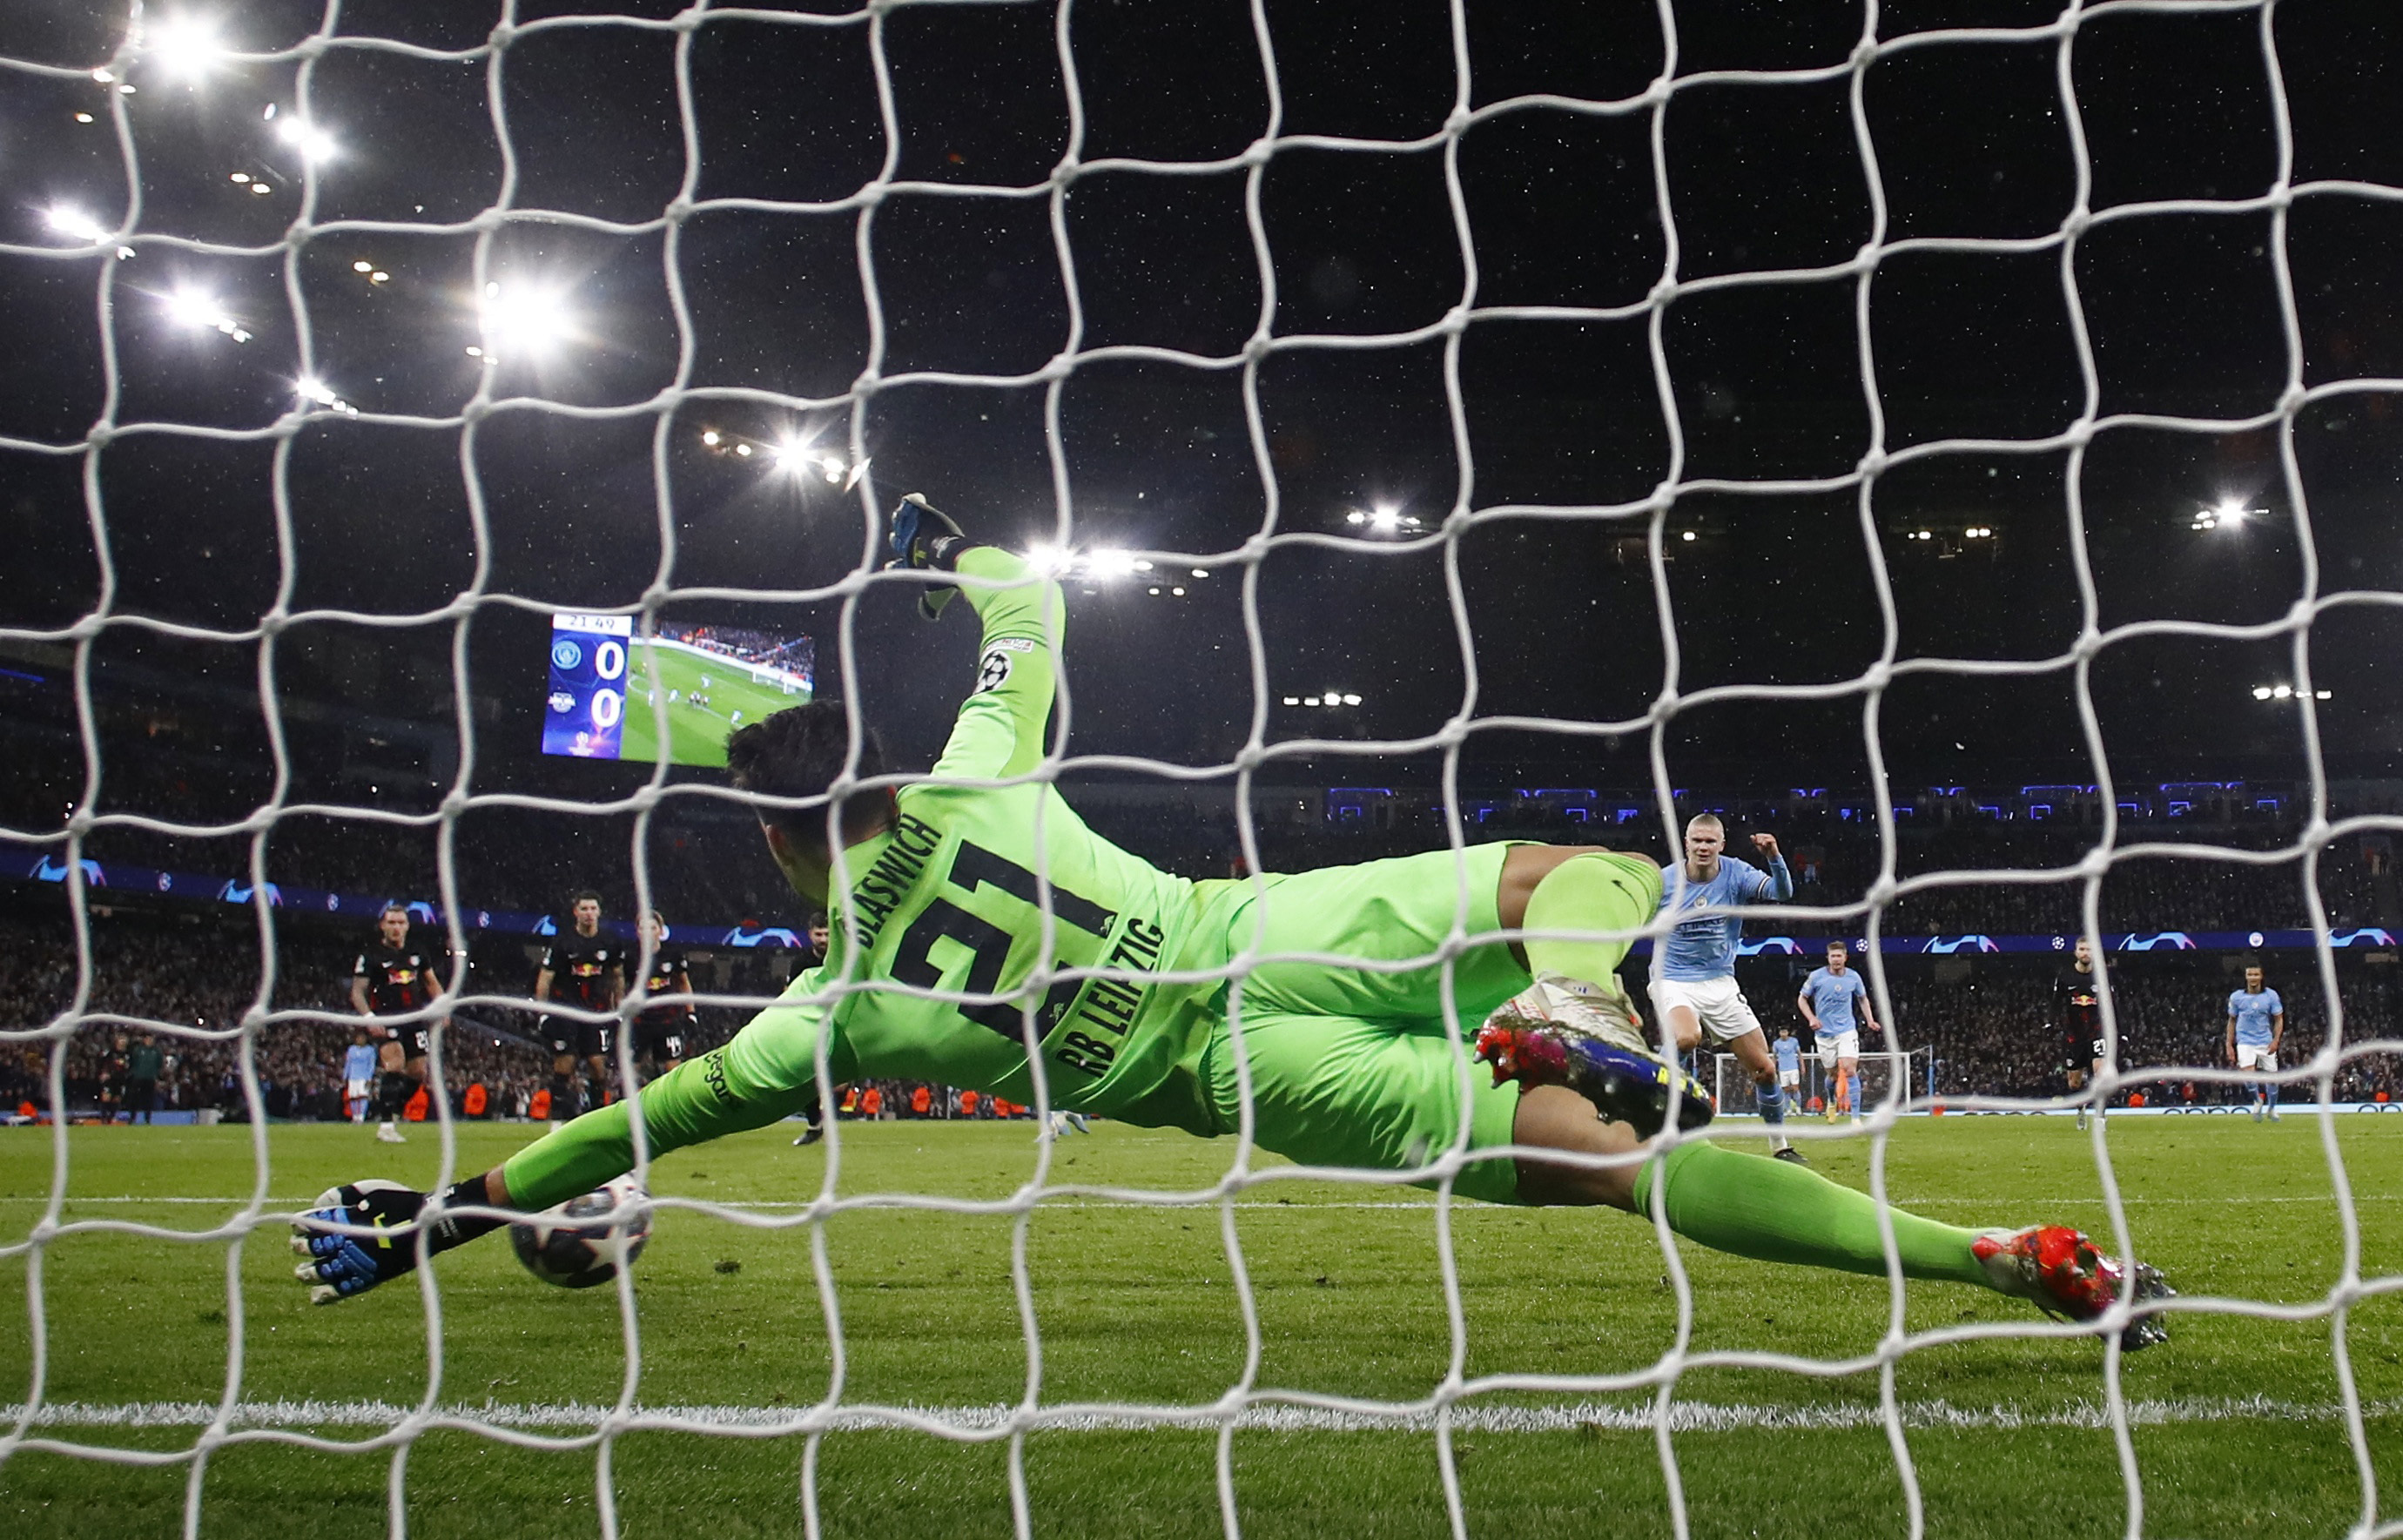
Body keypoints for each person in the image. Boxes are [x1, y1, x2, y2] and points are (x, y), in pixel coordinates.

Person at [298, 494, 2172, 1350]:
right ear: (878, 771)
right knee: (1555, 874)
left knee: (1626, 1174)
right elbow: (1028, 602)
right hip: (1274, 928)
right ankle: (1592, 1000)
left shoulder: (833, 1013)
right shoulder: (979, 771)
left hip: (1262, 1082)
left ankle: (2009, 1260)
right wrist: (941, 547)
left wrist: (436, 1216)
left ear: (770, 844)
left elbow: (621, 1128)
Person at [1649, 816, 1802, 1160]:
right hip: (1671, 979)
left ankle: (1781, 1146)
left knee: (1765, 1070)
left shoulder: (1736, 873)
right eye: (1697, 841)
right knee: (1687, 1037)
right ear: (1685, 843)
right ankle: (1655, 1102)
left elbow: (1782, 892)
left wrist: (1774, 856)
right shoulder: (1664, 882)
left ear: (1722, 844)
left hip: (1720, 982)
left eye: (1710, 841)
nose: (1703, 847)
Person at [351, 904, 447, 1144]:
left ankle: (391, 1112)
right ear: (382, 926)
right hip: (386, 1019)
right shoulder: (371, 955)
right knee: (394, 1064)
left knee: (418, 1072)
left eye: (401, 923)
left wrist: (443, 1006)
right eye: (391, 923)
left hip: (414, 1019)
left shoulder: (417, 952)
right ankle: (385, 1126)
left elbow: (431, 982)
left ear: (407, 926)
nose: (396, 928)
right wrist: (369, 1018)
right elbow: (357, 992)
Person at [534, 891, 626, 1119]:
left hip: (596, 1012)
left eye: (593, 908)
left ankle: (597, 1114)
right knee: (566, 1061)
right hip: (566, 1010)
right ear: (576, 912)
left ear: (599, 912)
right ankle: (557, 1115)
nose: (589, 913)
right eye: (584, 909)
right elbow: (545, 978)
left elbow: (617, 977)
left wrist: (619, 1008)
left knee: (597, 1063)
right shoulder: (563, 942)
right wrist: (542, 1013)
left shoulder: (610, 942)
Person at [1797, 941, 1882, 1125]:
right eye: (1833, 956)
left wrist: (1870, 1020)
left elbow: (1862, 998)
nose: (1836, 959)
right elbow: (1802, 999)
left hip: (1846, 1030)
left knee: (1850, 1069)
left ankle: (1856, 1118)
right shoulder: (1816, 976)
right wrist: (1811, 1018)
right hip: (1824, 1034)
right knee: (1833, 1075)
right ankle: (1831, 1100)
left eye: (1839, 956)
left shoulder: (1853, 977)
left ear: (1845, 957)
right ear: (1828, 958)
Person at [630, 912, 696, 1082]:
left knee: (672, 1072)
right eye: (643, 928)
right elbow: (619, 986)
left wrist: (691, 1013)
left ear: (660, 931)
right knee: (629, 1071)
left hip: (667, 1021)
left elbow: (684, 983)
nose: (648, 932)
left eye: (653, 928)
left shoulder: (672, 955)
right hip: (639, 1022)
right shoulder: (630, 957)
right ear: (637, 931)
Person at [2056, 937, 2106, 1130]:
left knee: (2100, 1072)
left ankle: (2100, 1117)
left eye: (2089, 949)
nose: (2086, 953)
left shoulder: (2101, 976)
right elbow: (2055, 1002)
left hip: (2097, 1031)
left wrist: (2122, 1029)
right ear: (2076, 952)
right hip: (2074, 1035)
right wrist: (2050, 1023)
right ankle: (2081, 1108)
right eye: (2082, 949)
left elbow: (2114, 1003)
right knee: (2074, 1083)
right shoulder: (2066, 976)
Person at [2225, 965, 2284, 1122]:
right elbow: (2232, 1021)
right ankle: (2257, 1100)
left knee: (2272, 1079)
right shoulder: (2236, 997)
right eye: (2250, 974)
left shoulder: (2271, 995)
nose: (2253, 977)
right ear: (2246, 977)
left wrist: (2276, 1040)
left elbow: (2279, 1019)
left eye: (2256, 974)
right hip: (2245, 1041)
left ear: (2261, 977)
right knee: (2248, 1075)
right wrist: (2229, 1044)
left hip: (2265, 1041)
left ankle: (2272, 1108)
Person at [125, 1032, 163, 1126]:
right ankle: (132, 1118)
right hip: (138, 1078)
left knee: (149, 1100)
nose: (150, 1041)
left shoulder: (157, 1051)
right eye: (148, 1039)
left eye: (151, 1039)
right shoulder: (138, 1050)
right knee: (135, 1099)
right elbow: (133, 1062)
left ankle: (147, 1119)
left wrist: (157, 1077)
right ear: (144, 1039)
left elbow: (159, 1065)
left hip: (150, 1078)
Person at [342, 1028, 378, 1123]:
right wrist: (345, 1076)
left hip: (364, 1077)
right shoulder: (351, 1049)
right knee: (353, 1097)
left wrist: (369, 1078)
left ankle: (361, 1116)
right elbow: (348, 1063)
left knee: (363, 1096)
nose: (360, 1040)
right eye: (358, 1038)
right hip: (352, 1077)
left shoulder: (370, 1050)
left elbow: (371, 1065)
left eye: (362, 1038)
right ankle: (355, 1116)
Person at [1771, 1026, 1802, 1112]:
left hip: (1793, 1068)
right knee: (1786, 1089)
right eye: (1782, 1032)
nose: (1783, 1034)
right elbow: (1774, 1056)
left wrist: (1802, 1066)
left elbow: (1799, 1054)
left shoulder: (1794, 1041)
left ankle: (1798, 1108)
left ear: (1788, 1033)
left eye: (1785, 1032)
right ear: (1779, 1033)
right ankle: (1788, 1109)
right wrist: (1773, 1068)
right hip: (1783, 1069)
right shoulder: (1776, 1043)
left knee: (1796, 1088)